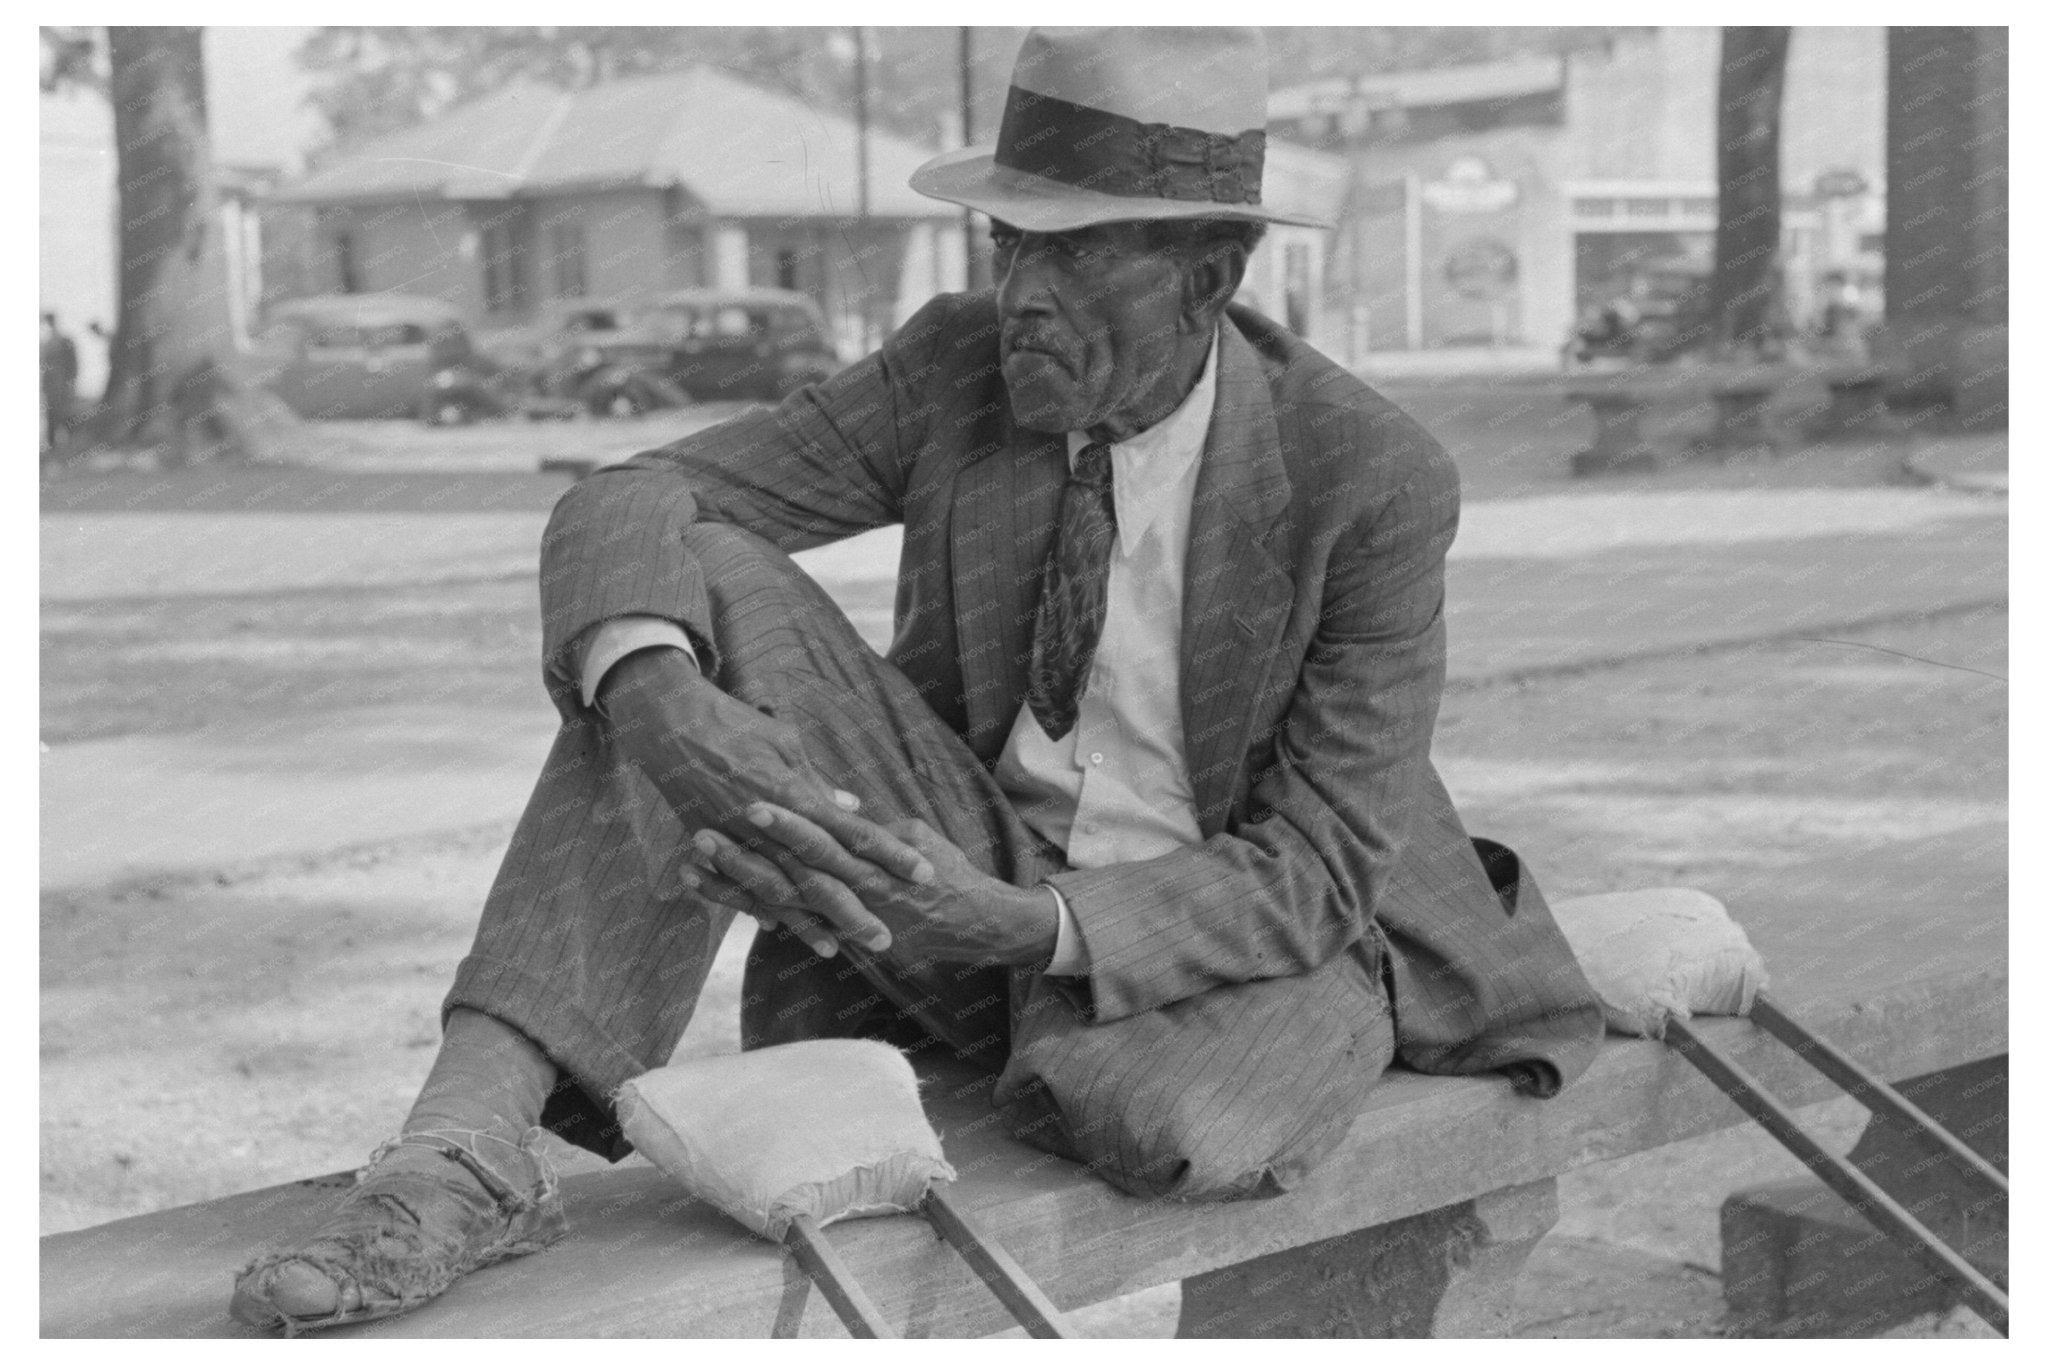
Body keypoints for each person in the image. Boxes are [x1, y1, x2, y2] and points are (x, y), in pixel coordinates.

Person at [231, 27, 1605, 1334]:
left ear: (1212, 273)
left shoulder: (1367, 475)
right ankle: (465, 1149)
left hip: (1227, 907)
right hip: (949, 860)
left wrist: (1014, 927)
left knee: (1165, 1120)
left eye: (1079, 257)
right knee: (676, 585)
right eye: (1012, 245)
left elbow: (1317, 865)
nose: (1023, 299)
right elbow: (636, 491)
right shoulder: (957, 363)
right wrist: (658, 699)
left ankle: (1042, 1026)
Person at [40, 311, 80, 462]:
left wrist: (71, 382)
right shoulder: (46, 342)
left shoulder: (64, 341)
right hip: (51, 386)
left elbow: (73, 364)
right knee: (51, 416)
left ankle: (70, 445)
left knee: (66, 414)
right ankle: (53, 448)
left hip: (63, 385)